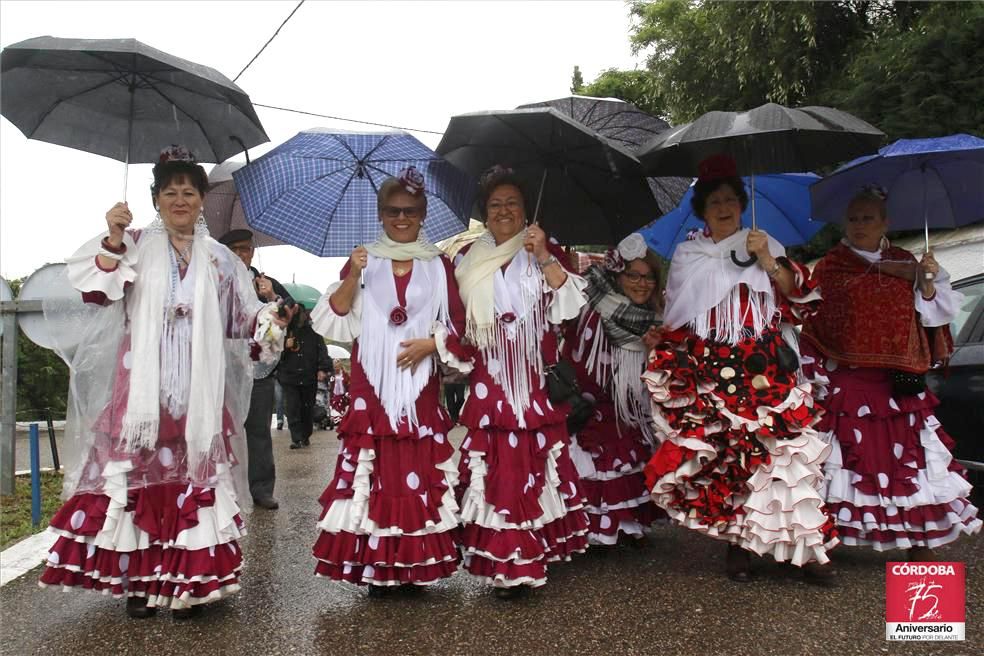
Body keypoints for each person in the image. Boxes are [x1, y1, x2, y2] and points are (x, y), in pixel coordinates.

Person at [38, 146, 289, 618]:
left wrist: (267, 320)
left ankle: (186, 581)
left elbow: (241, 318)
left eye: (188, 192)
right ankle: (139, 583)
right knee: (138, 482)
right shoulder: (132, 244)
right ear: (156, 199)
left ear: (199, 202)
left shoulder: (218, 260)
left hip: (197, 392)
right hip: (140, 394)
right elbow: (96, 293)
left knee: (191, 480)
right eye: (170, 191)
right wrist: (112, 237)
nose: (180, 199)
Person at [642, 154, 837, 583]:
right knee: (736, 461)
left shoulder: (763, 243)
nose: (725, 207)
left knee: (787, 455)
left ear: (741, 203)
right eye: (716, 202)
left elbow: (800, 296)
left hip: (766, 367)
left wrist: (767, 259)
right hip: (716, 372)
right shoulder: (689, 254)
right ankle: (740, 548)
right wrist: (665, 346)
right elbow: (678, 316)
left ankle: (807, 550)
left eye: (731, 198)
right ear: (702, 210)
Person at [309, 167, 471, 596]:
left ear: (423, 215)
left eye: (411, 211)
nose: (402, 218)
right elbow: (337, 316)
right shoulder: (364, 259)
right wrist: (353, 273)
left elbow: (459, 327)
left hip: (420, 386)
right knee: (374, 468)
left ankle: (414, 564)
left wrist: (431, 346)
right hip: (370, 384)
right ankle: (377, 566)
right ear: (381, 214)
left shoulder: (439, 264)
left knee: (415, 467)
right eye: (394, 211)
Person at [800, 187, 981, 559]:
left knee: (909, 460)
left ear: (886, 222)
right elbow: (814, 320)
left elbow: (933, 317)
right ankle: (831, 534)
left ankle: (917, 538)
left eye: (868, 218)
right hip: (848, 381)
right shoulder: (832, 267)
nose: (859, 225)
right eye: (853, 218)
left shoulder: (907, 263)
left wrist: (927, 282)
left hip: (899, 382)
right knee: (847, 461)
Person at [454, 165, 590, 599]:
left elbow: (569, 308)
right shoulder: (466, 258)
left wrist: (546, 255)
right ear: (485, 213)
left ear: (526, 208)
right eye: (495, 204)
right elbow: (455, 319)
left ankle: (533, 549)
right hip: (489, 377)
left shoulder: (544, 249)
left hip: (533, 378)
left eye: (512, 202)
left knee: (535, 463)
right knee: (499, 468)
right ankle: (507, 561)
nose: (504, 210)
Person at [561, 233, 662, 546]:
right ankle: (591, 527)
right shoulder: (592, 308)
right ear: (618, 276)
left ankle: (626, 523)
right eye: (634, 275)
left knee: (627, 460)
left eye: (649, 278)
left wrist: (655, 351)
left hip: (628, 413)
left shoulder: (654, 320)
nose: (641, 284)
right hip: (591, 406)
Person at [218, 228, 292, 510]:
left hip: (257, 370)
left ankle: (261, 489)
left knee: (258, 431)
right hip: (221, 368)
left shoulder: (265, 282)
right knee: (221, 430)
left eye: (245, 248)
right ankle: (222, 490)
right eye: (234, 249)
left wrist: (272, 296)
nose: (241, 254)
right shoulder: (213, 279)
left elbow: (291, 315)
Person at [277, 305, 332, 449]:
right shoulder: (286, 331)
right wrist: (285, 347)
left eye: (303, 312)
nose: (302, 315)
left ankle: (305, 435)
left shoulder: (314, 332)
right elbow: (274, 353)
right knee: (292, 407)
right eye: (299, 312)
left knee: (307, 407)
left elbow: (322, 351)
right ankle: (296, 438)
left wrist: (322, 369)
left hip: (308, 376)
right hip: (290, 377)